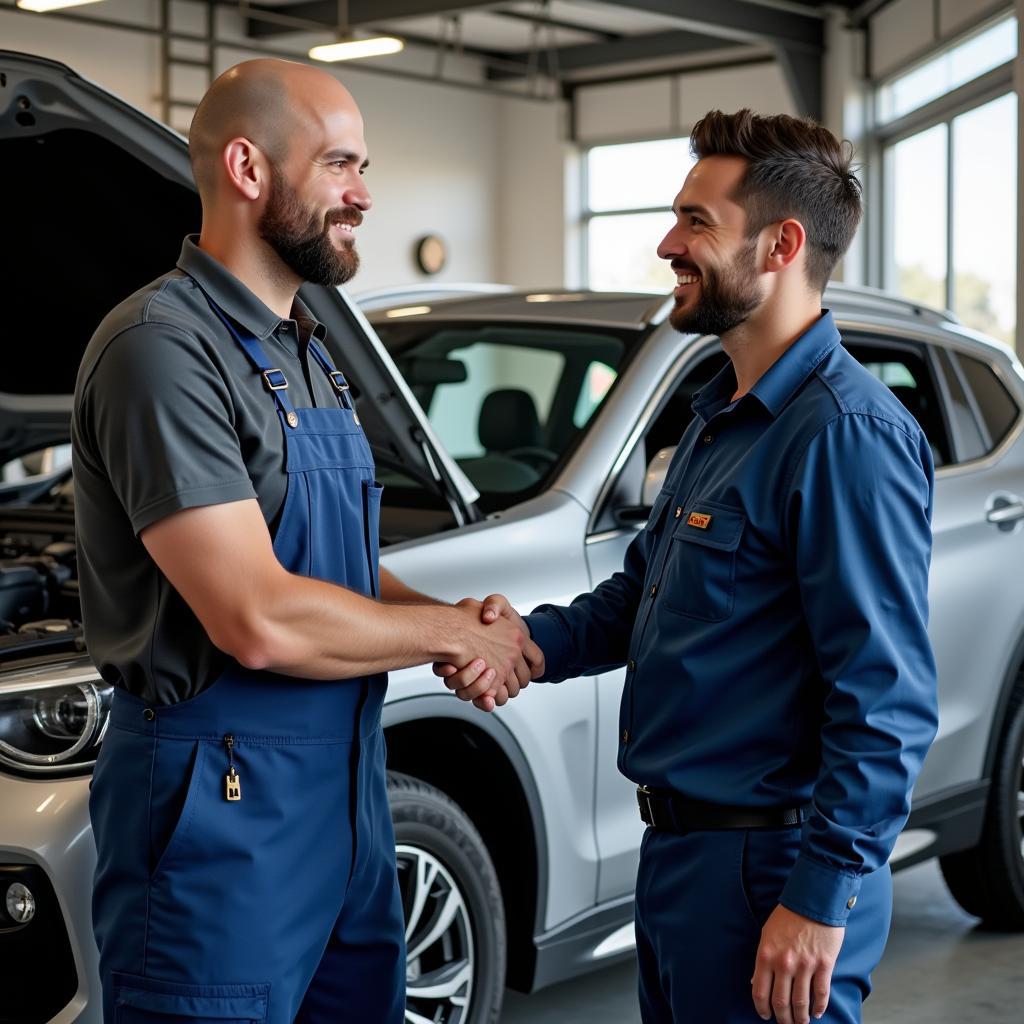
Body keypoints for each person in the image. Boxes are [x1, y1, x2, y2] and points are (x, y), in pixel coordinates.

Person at [443, 109, 938, 1024]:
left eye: (696, 222)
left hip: (769, 874)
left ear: (782, 244)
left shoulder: (844, 435)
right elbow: (646, 596)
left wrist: (820, 898)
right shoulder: (720, 416)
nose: (669, 243)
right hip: (681, 864)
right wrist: (526, 643)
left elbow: (885, 700)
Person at [73, 58, 536, 1024]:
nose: (365, 194)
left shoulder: (306, 347)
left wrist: (451, 616)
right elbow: (256, 617)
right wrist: (455, 640)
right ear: (248, 167)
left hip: (347, 801)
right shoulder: (162, 349)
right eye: (339, 165)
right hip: (220, 813)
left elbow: (332, 570)